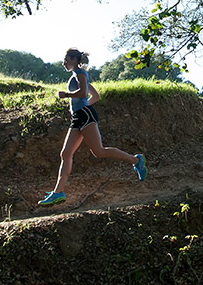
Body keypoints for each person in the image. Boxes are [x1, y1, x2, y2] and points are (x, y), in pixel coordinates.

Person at [39, 48, 146, 206]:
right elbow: (95, 96)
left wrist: (67, 96)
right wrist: (78, 107)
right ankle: (58, 192)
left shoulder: (80, 73)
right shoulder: (79, 75)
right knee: (66, 153)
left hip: (85, 116)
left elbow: (83, 93)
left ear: (74, 59)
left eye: (66, 59)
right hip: (79, 116)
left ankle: (136, 160)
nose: (64, 62)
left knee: (99, 151)